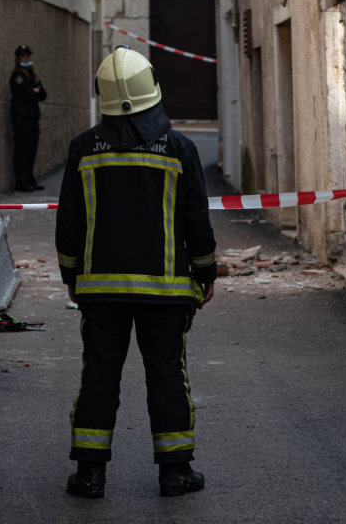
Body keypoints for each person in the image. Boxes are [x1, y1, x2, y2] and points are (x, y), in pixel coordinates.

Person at [56, 46, 218, 498]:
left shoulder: (84, 149)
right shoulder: (180, 149)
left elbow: (69, 221)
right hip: (165, 292)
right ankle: (175, 473)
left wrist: (71, 274)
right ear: (152, 89)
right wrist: (207, 272)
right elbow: (196, 221)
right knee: (167, 374)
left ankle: (89, 475)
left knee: (99, 375)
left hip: (100, 291)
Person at [9, 45, 47, 191]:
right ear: (18, 59)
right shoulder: (18, 75)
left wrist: (35, 91)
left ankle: (30, 179)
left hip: (32, 117)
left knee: (32, 150)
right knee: (22, 150)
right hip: (22, 118)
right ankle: (22, 182)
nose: (27, 58)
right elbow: (27, 94)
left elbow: (43, 94)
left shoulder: (32, 75)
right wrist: (34, 91)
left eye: (28, 55)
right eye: (24, 56)